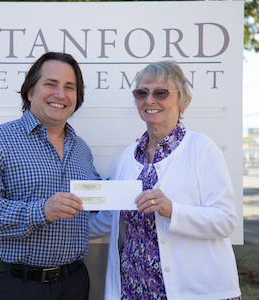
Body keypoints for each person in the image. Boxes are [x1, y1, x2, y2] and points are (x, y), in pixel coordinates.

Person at [89, 60, 241, 300]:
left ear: (181, 101)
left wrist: (173, 210)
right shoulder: (128, 157)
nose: (150, 100)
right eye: (142, 93)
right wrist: (62, 220)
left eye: (161, 92)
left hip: (195, 290)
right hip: (133, 289)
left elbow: (226, 221)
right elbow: (109, 218)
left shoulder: (202, 149)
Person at [0, 52, 101, 300]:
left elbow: (96, 201)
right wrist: (41, 211)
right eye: (50, 84)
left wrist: (141, 159)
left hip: (75, 283)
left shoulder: (82, 148)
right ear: (29, 92)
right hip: (17, 285)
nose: (60, 94)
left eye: (69, 87)